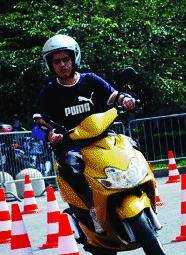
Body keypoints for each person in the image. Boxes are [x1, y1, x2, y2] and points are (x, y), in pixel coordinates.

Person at [33, 34, 136, 234]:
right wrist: (49, 135)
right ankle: (92, 211)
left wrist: (126, 100)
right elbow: (37, 125)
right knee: (71, 167)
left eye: (66, 59)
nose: (62, 65)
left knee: (132, 147)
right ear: (50, 65)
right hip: (71, 145)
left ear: (74, 59)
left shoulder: (90, 80)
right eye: (57, 61)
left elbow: (113, 95)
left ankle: (137, 190)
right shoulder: (49, 92)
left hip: (103, 136)